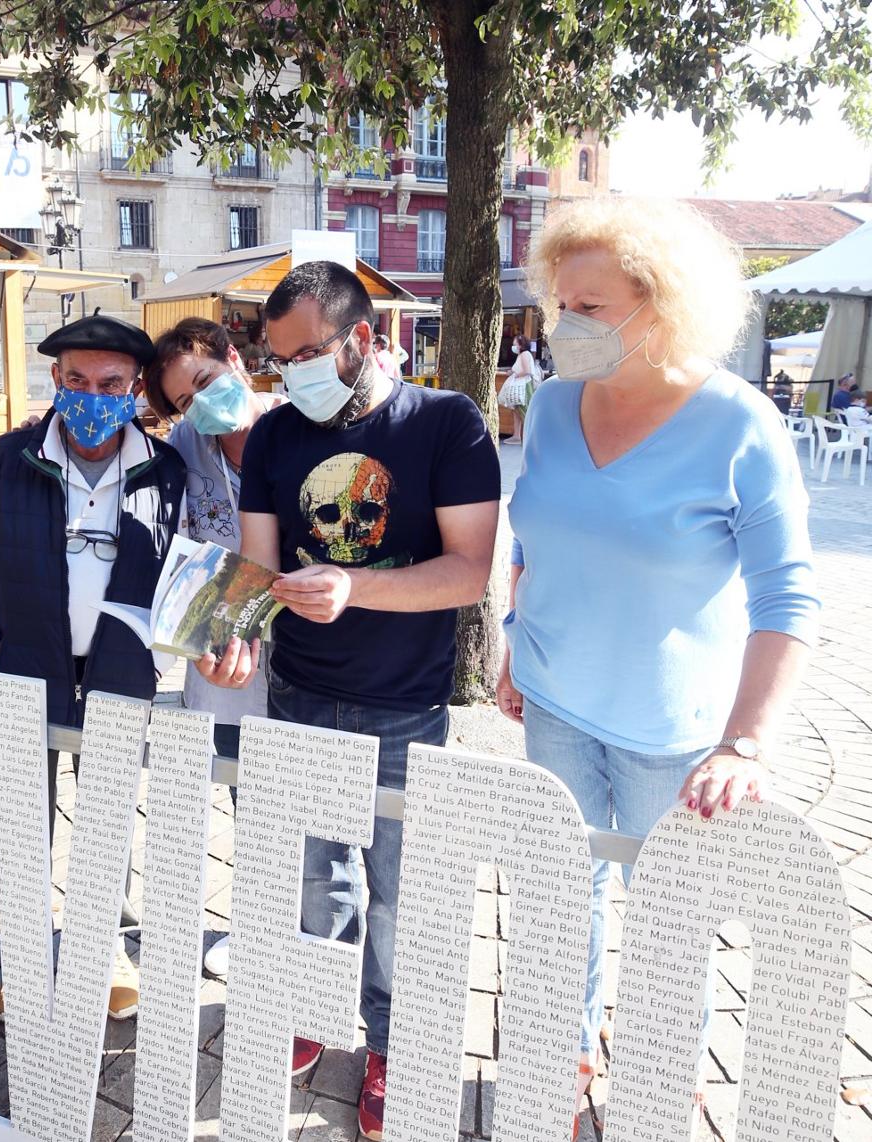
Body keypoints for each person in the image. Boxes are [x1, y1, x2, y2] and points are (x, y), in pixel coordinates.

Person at [496, 197, 819, 1137]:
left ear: (661, 308)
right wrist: (516, 636)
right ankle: (563, 1054)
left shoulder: (740, 427)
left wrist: (747, 744)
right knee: (563, 892)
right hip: (554, 702)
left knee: (673, 912)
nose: (564, 327)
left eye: (590, 308)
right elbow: (539, 537)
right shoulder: (552, 405)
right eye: (560, 303)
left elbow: (790, 603)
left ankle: (666, 1066)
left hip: (674, 736)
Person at [197, 260, 501, 1141]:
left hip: (406, 702)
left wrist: (353, 586)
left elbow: (468, 572)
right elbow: (256, 567)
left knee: (403, 891)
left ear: (362, 340)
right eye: (275, 357)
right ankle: (312, 1005)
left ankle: (396, 1044)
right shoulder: (278, 436)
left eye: (304, 353)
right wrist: (236, 637)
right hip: (299, 692)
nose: (287, 373)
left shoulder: (447, 421)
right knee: (311, 872)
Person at [0, 310, 187, 1025]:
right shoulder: (9, 458)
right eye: (76, 379)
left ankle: (100, 949)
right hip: (23, 667)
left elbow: (182, 575)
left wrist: (158, 659)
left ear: (135, 387)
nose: (91, 394)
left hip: (119, 672)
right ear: (56, 378)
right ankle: (22, 955)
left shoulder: (165, 470)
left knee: (110, 815)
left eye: (110, 382)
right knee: (21, 818)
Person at [140, 315, 287, 978]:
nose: (202, 406)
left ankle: (310, 939)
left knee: (305, 803)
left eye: (205, 382)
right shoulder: (187, 448)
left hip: (310, 654)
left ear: (234, 357)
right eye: (182, 401)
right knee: (248, 796)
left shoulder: (297, 429)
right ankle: (258, 932)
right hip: (226, 654)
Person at [497, 334, 536, 443]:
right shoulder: (524, 355)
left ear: (520, 345)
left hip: (523, 386)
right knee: (517, 411)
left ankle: (530, 437)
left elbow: (527, 371)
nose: (513, 346)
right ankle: (517, 435)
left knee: (524, 411)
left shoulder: (524, 355)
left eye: (515, 344)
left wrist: (514, 374)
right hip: (522, 385)